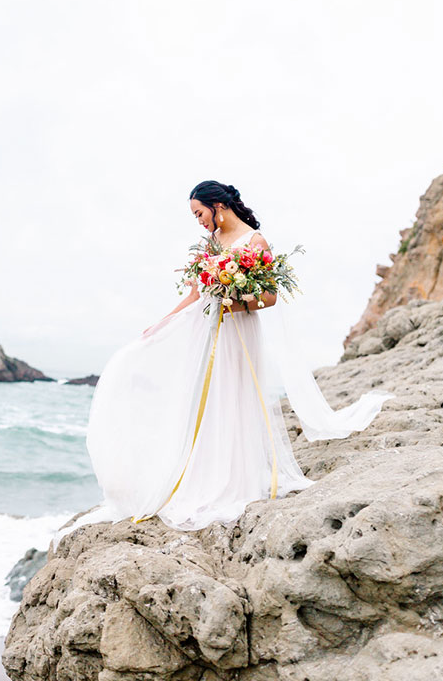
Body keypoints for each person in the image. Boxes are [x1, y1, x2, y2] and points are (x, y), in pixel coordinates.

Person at [50, 180, 394, 550]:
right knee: (196, 396)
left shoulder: (255, 242)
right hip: (205, 329)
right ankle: (197, 471)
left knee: (232, 397)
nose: (197, 221)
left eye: (199, 213)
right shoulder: (210, 244)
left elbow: (270, 297)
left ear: (217, 206)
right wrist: (163, 322)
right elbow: (195, 294)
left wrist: (233, 300)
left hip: (238, 333)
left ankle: (232, 478)